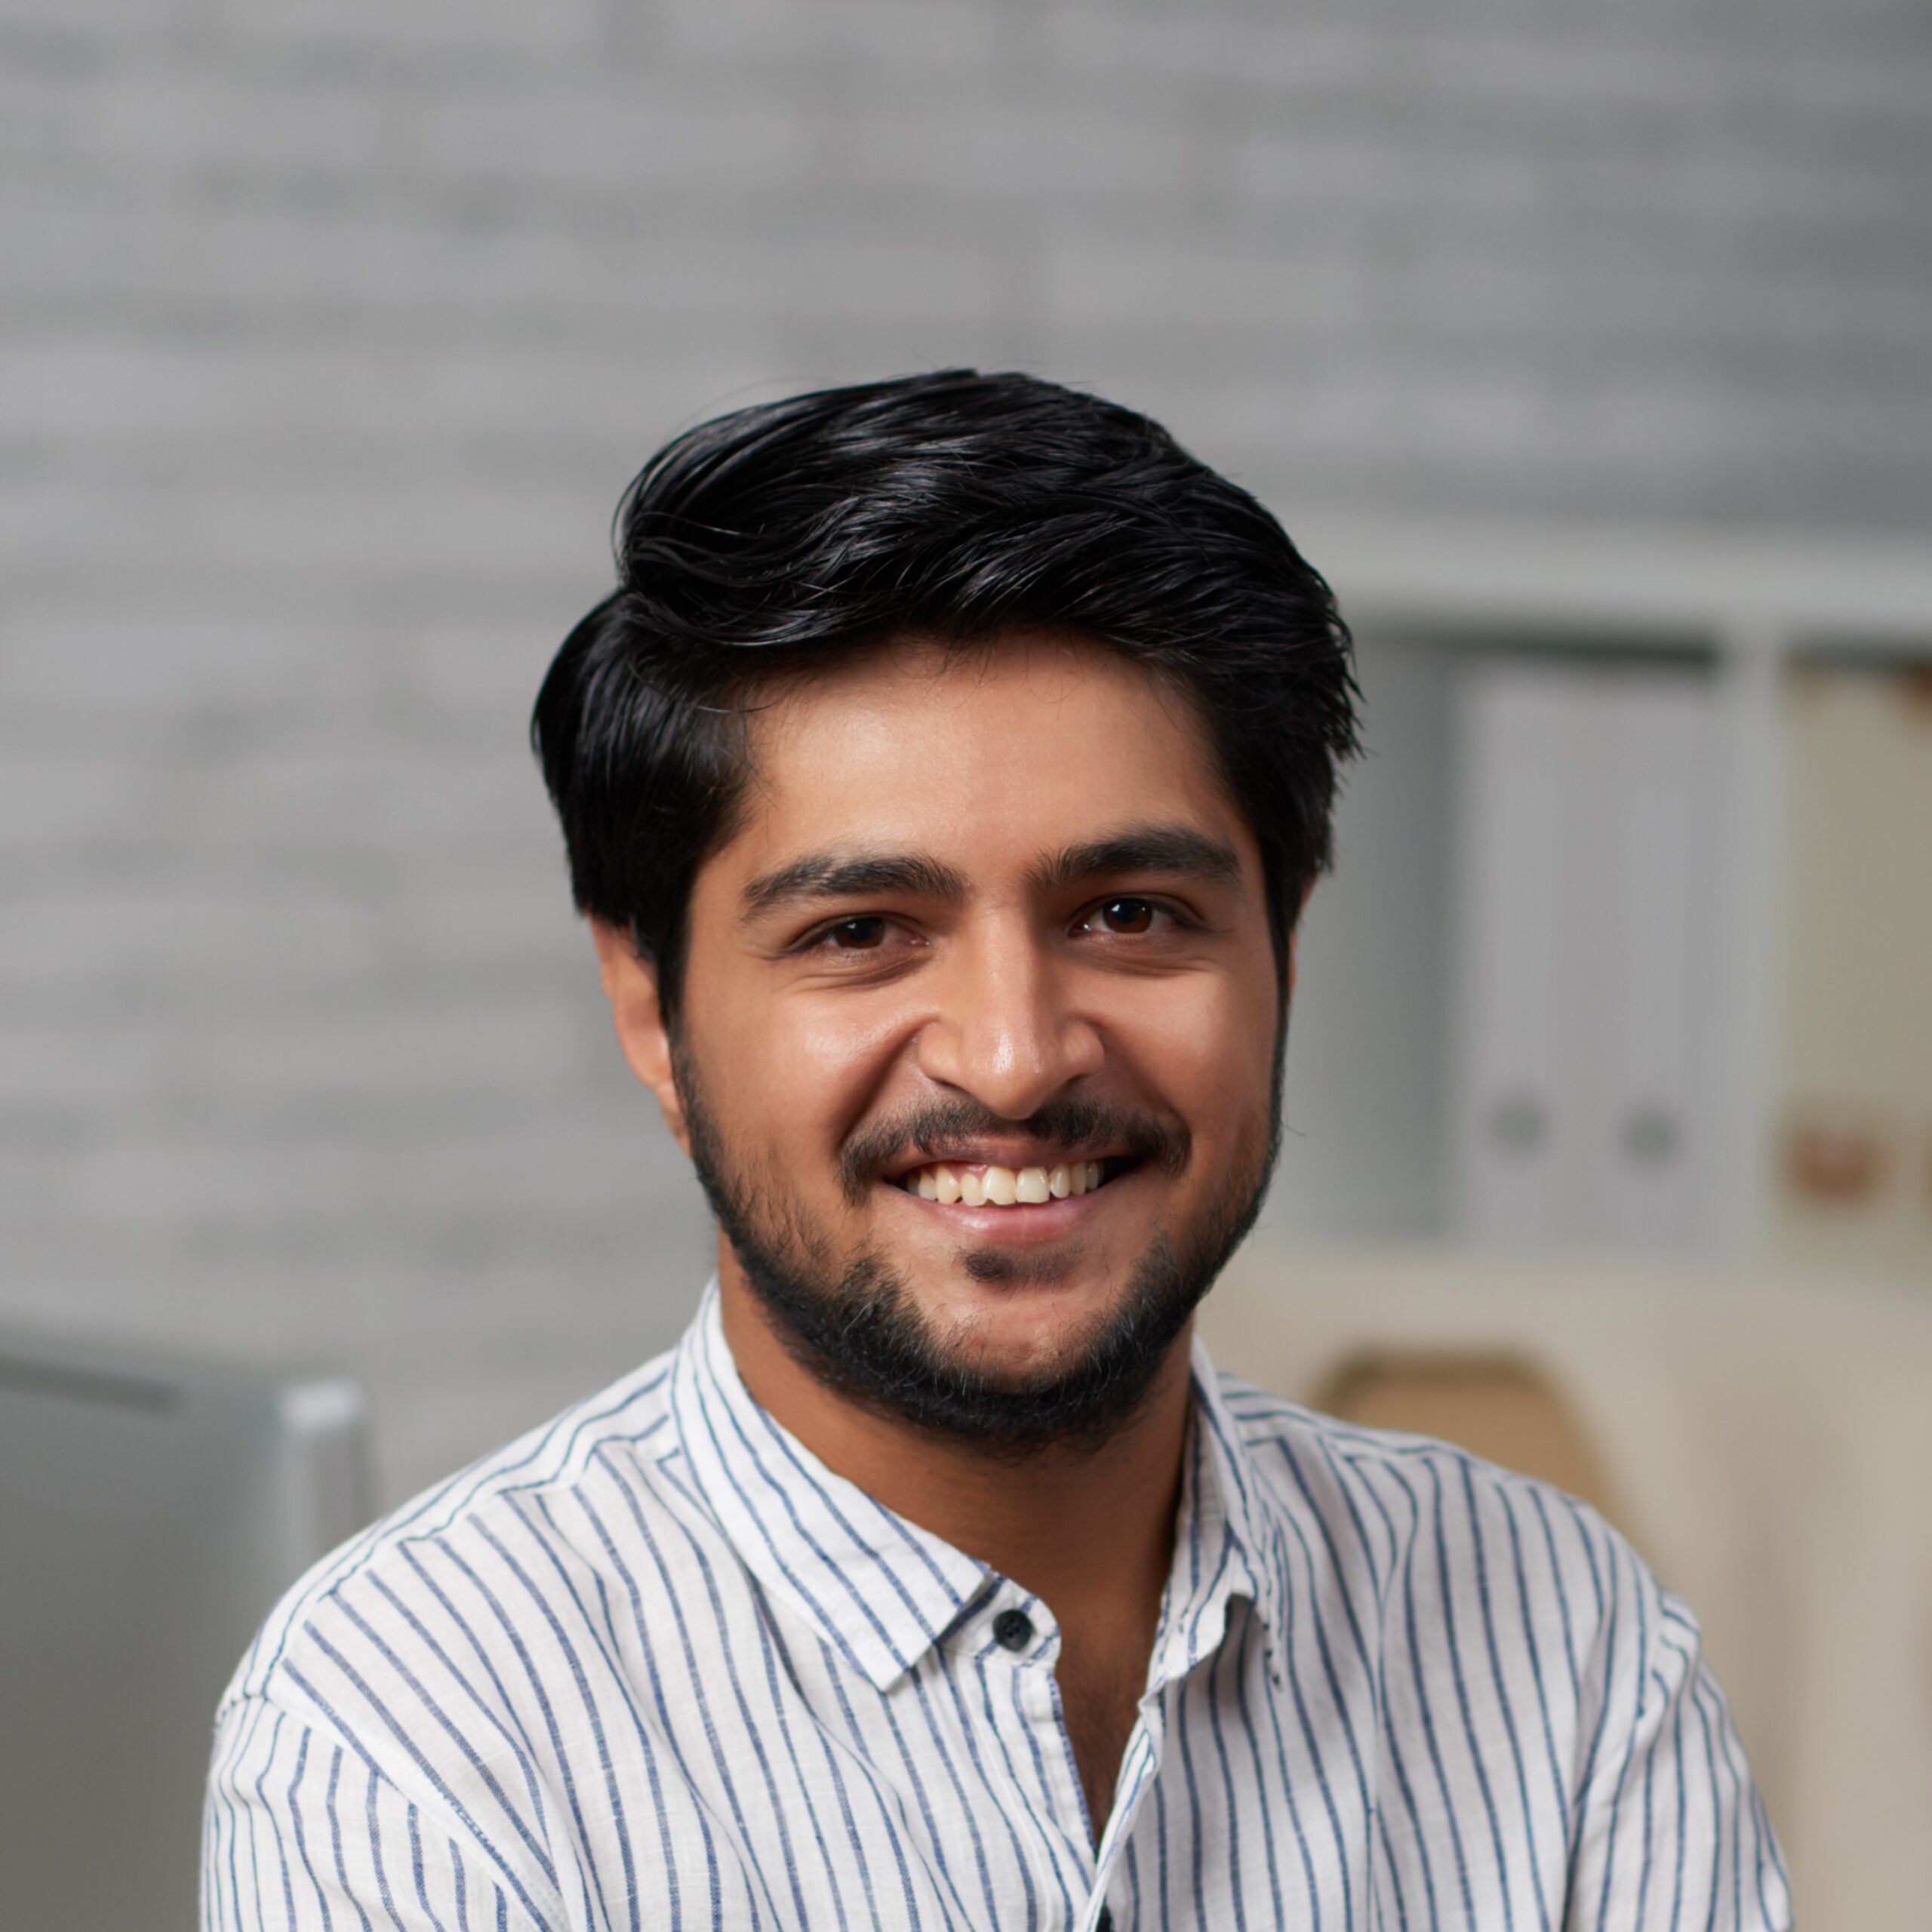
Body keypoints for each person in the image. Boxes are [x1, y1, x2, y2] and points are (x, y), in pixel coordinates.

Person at [203, 372, 1791, 1930]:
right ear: (651, 1004)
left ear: (1283, 953)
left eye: (1127, 915)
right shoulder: (414, 1734)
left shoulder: (1568, 1649)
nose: (1017, 1055)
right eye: (863, 932)